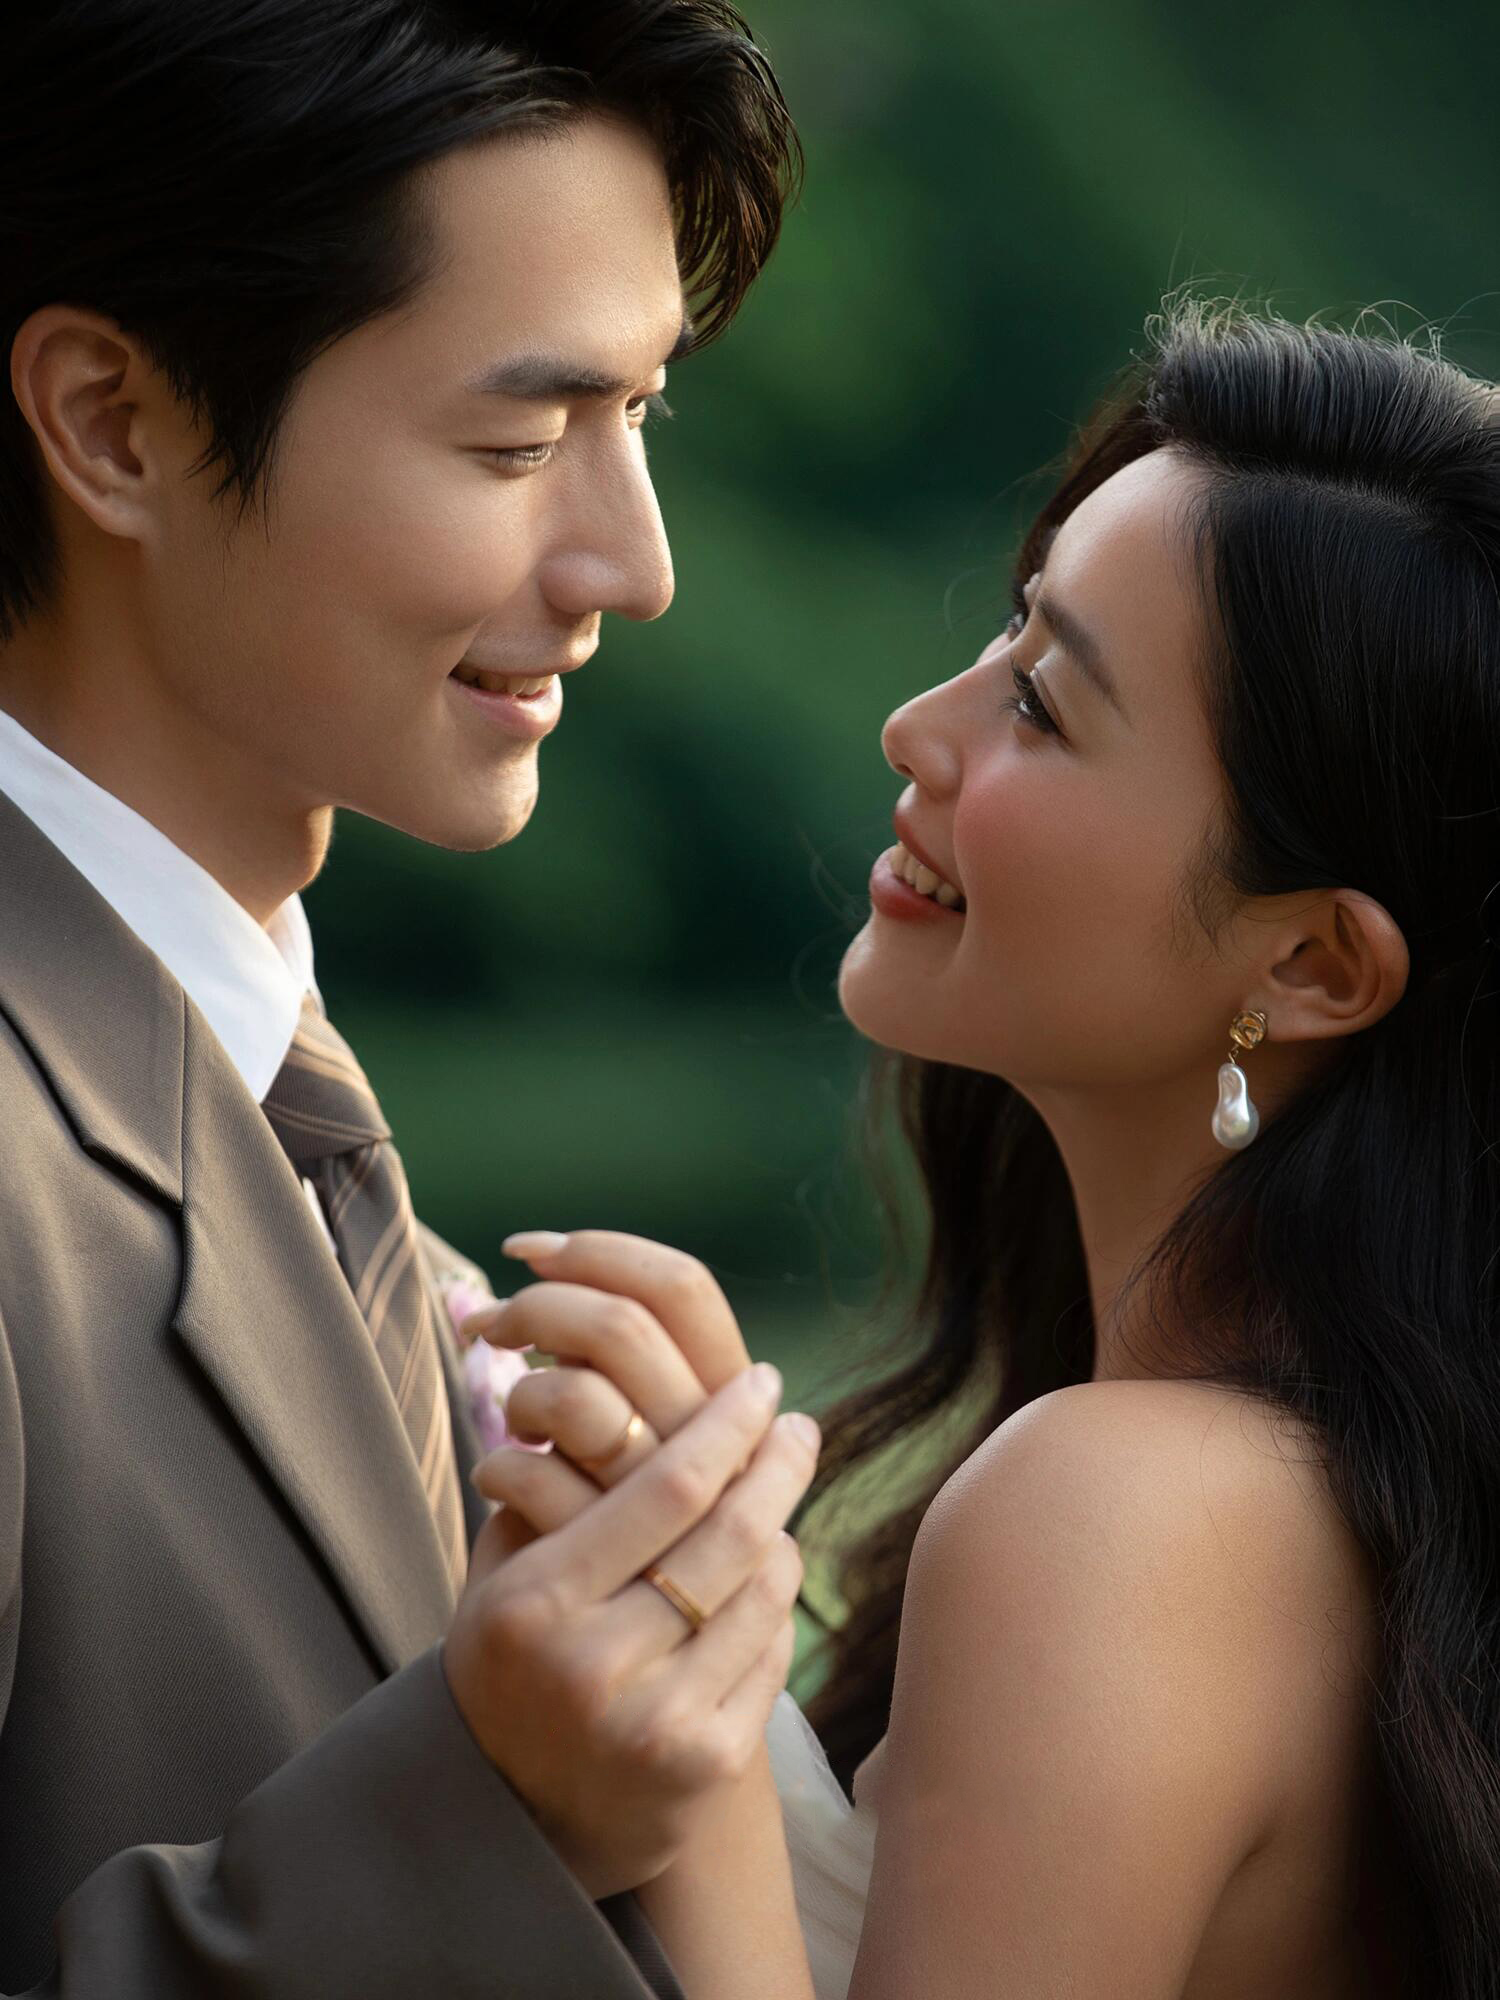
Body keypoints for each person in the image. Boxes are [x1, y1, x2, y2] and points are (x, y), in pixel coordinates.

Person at [465, 302, 1500, 1997]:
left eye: (1041, 702)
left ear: (1313, 963)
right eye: (1010, 627)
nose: (917, 729)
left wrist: (693, 1692)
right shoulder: (1339, 1515)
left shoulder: (1113, 1515)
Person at [0, 3, 816, 1995]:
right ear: (112, 424)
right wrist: (485, 1803)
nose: (635, 563)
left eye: (645, 418)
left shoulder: (361, 1217)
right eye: (519, 444)